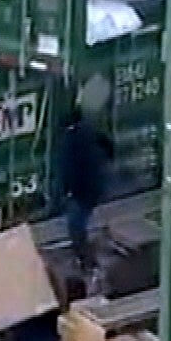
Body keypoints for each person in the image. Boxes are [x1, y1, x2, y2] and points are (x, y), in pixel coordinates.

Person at [55, 102, 116, 293]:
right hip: (94, 187)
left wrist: (66, 191)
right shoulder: (92, 132)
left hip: (80, 190)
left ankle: (86, 262)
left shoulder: (69, 141)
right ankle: (85, 259)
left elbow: (67, 170)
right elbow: (109, 147)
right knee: (81, 222)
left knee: (76, 228)